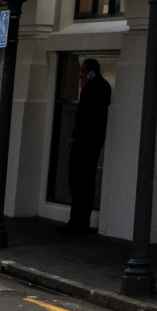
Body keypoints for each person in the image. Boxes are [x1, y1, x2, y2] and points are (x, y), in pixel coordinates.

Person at [66, 58, 110, 235]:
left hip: (91, 140)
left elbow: (93, 113)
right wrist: (74, 135)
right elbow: (80, 114)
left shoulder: (100, 88)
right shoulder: (87, 89)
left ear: (92, 72)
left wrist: (85, 88)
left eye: (83, 72)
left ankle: (83, 221)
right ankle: (73, 218)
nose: (80, 75)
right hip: (80, 139)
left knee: (86, 180)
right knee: (74, 179)